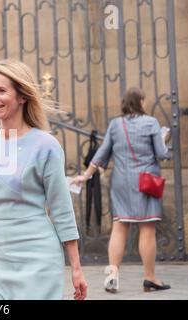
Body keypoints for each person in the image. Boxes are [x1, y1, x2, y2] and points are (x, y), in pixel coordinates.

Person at [0, 59, 88, 300]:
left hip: (40, 263)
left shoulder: (46, 146)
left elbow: (61, 210)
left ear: (22, 96)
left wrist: (76, 268)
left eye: (2, 90)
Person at [71, 87, 171, 293]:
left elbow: (102, 153)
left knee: (119, 226)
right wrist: (164, 139)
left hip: (121, 181)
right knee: (147, 227)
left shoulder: (116, 125)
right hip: (145, 181)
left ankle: (113, 274)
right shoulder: (151, 122)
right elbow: (161, 154)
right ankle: (150, 278)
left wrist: (85, 175)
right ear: (140, 102)